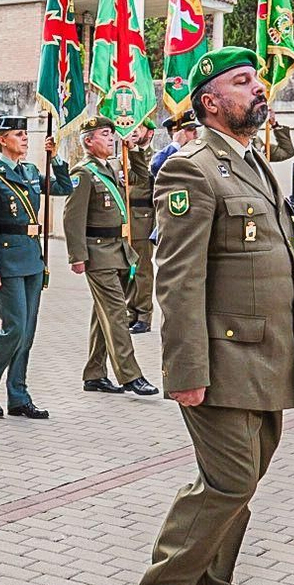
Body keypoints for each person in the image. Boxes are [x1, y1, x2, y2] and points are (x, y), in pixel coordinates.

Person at [137, 47, 294, 585]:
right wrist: (185, 372)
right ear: (210, 101)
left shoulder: (253, 161)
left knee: (240, 489)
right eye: (243, 81)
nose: (259, 88)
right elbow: (179, 280)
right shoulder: (191, 169)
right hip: (222, 360)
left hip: (267, 357)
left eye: (257, 79)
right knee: (227, 483)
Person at [0, 114, 73, 419]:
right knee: (13, 328)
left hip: (31, 259)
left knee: (26, 332)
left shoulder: (30, 171)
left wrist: (56, 158)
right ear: (2, 140)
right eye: (18, 134)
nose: (25, 138)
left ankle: (18, 395)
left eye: (26, 133)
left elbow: (63, 187)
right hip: (8, 262)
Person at [66, 116, 156, 397]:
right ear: (89, 141)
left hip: (117, 250)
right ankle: (130, 375)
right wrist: (76, 256)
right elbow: (72, 217)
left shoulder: (110, 167)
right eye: (104, 134)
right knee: (117, 314)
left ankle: (94, 374)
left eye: (111, 134)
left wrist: (135, 149)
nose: (111, 138)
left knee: (102, 315)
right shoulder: (83, 173)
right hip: (98, 253)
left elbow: (142, 177)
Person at [125, 122, 158, 333]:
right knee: (127, 270)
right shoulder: (122, 154)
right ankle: (130, 311)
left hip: (143, 219)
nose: (135, 131)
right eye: (133, 127)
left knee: (142, 271)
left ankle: (144, 315)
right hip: (124, 219)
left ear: (150, 133)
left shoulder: (155, 158)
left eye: (140, 127)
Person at [151, 111, 199, 179]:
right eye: (191, 129)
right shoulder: (169, 154)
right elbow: (156, 166)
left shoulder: (197, 151)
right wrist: (176, 144)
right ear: (176, 133)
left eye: (195, 128)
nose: (196, 133)